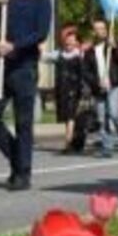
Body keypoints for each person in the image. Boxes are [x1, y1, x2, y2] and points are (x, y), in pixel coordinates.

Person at [0, 0, 53, 189]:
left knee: (23, 123)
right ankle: (17, 159)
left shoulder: (41, 1)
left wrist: (14, 46)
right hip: (2, 68)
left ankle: (23, 174)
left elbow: (40, 33)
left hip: (24, 68)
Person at [85, 18, 118, 157]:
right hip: (99, 88)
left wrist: (115, 48)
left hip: (114, 85)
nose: (100, 31)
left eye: (102, 28)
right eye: (97, 29)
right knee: (101, 118)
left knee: (114, 113)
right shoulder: (90, 51)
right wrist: (97, 82)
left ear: (107, 30)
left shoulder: (113, 46)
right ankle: (107, 146)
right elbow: (86, 72)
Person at [49, 24, 87, 152]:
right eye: (67, 40)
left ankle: (68, 142)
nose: (69, 42)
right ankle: (72, 139)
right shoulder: (60, 55)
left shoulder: (79, 56)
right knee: (67, 117)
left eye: (72, 40)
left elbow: (83, 75)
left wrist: (83, 91)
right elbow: (45, 57)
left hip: (74, 90)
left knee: (70, 116)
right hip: (62, 90)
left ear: (76, 42)